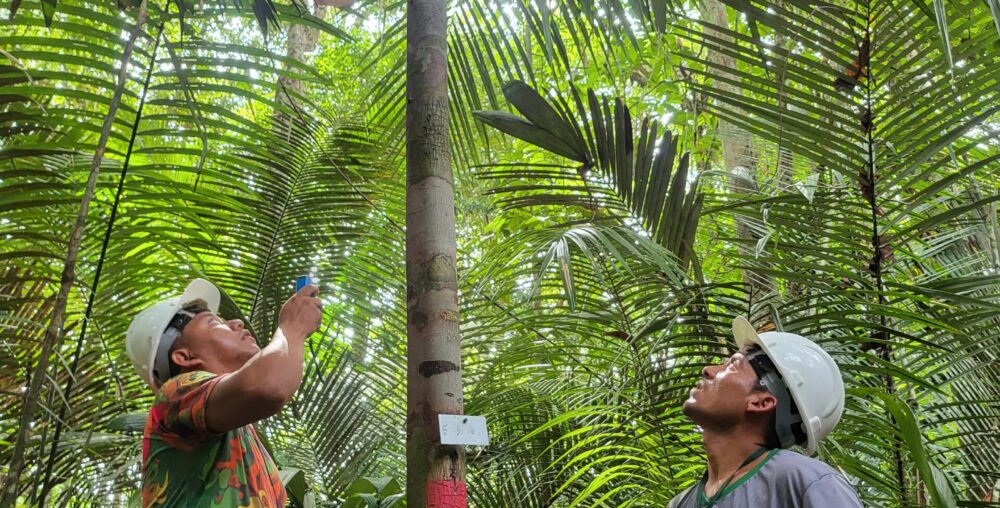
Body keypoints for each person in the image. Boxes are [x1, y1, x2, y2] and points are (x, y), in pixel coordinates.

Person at [126, 278, 322, 507]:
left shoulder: (240, 435)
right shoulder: (174, 393)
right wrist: (293, 326)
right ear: (184, 357)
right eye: (213, 322)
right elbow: (269, 386)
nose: (237, 323)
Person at [668, 317, 862, 508]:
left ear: (762, 402)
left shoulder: (808, 482)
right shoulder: (681, 503)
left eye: (733, 365)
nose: (708, 370)